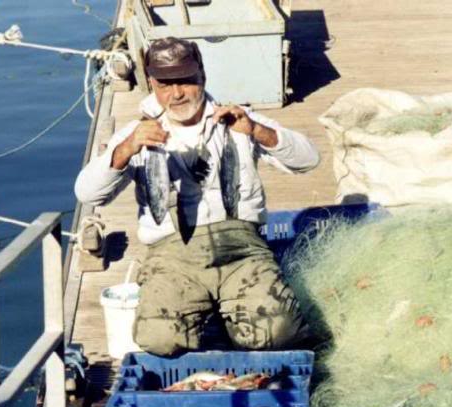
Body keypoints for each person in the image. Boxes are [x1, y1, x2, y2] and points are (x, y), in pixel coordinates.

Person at [74, 37, 320, 356]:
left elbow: (308, 159)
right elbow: (87, 192)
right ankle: (209, 308)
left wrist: (258, 130)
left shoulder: (237, 119)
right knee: (160, 341)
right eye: (165, 84)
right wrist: (125, 150)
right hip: (172, 254)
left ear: (202, 75)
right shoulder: (137, 132)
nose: (176, 93)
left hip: (242, 250)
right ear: (151, 83)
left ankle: (231, 307)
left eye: (186, 81)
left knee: (278, 334)